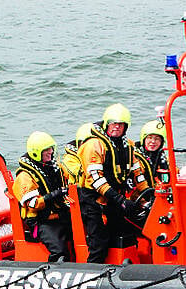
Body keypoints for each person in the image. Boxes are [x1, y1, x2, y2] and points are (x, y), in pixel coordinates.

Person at [77, 103, 149, 263]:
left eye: (120, 124)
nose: (116, 127)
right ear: (106, 123)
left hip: (114, 199)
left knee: (127, 233)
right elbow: (96, 180)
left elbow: (138, 173)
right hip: (94, 201)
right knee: (99, 243)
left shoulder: (128, 145)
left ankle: (127, 267)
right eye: (113, 123)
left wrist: (148, 196)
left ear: (125, 127)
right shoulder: (94, 145)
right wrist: (121, 200)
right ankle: (92, 273)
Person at [12, 131, 71, 261]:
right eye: (46, 150)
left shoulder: (54, 166)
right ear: (36, 152)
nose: (50, 152)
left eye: (51, 149)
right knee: (59, 250)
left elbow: (68, 178)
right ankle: (55, 268)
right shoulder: (24, 176)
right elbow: (33, 204)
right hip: (41, 221)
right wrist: (54, 195)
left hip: (59, 214)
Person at [134, 119, 169, 187]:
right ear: (144, 139)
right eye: (149, 138)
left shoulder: (162, 156)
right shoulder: (135, 156)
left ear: (161, 142)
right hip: (140, 192)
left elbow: (166, 176)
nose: (153, 141)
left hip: (157, 191)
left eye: (157, 139)